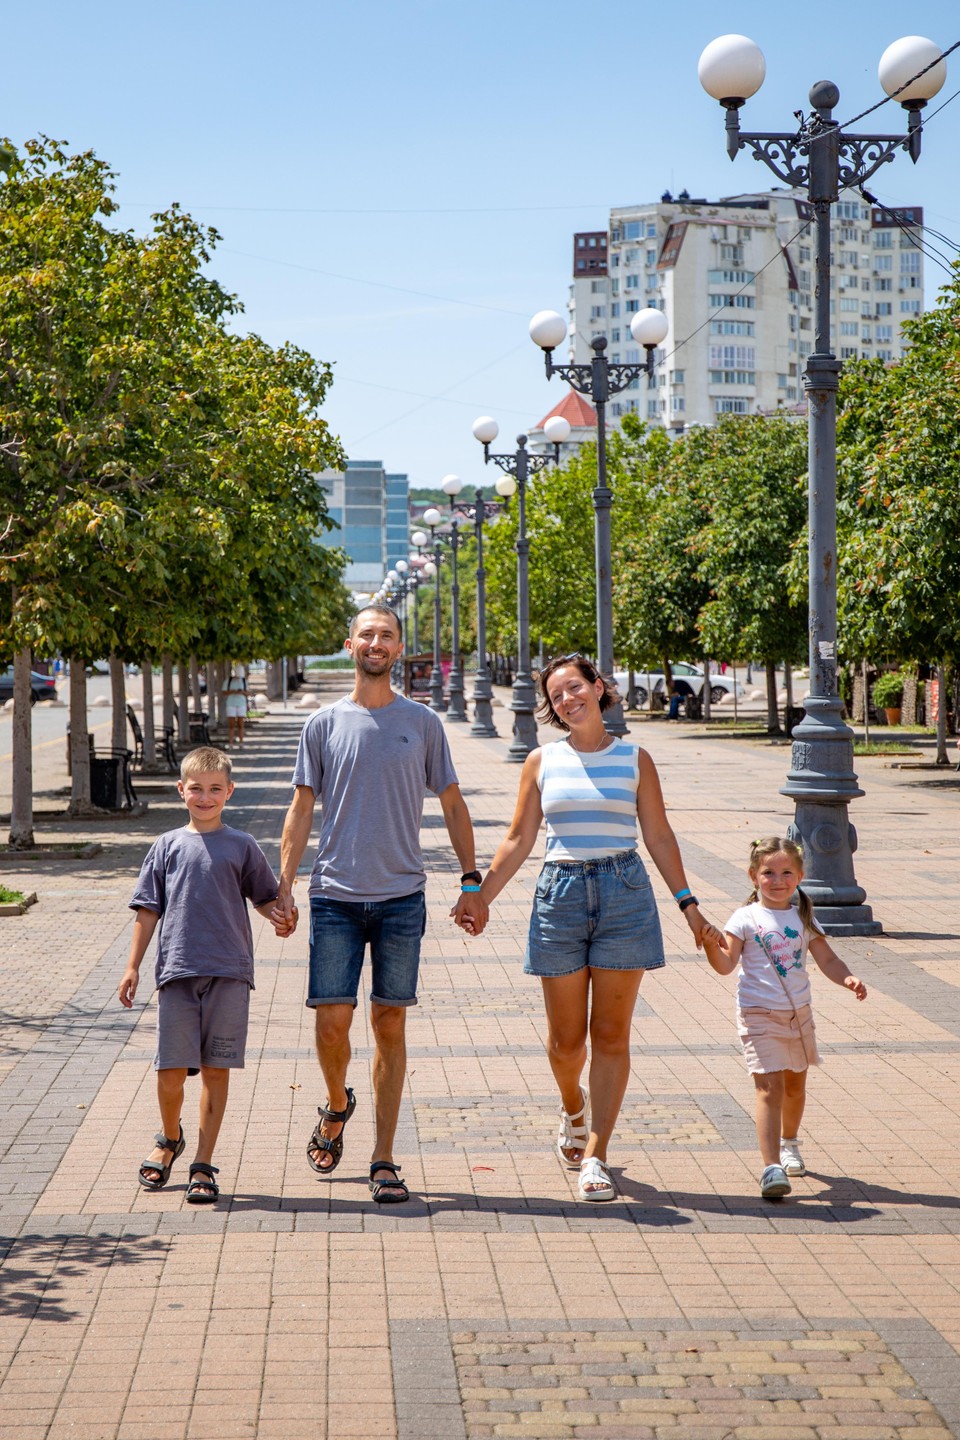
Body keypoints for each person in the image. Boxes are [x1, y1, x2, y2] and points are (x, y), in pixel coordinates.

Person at [460, 654, 717, 1203]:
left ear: (598, 688)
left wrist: (689, 907)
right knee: (565, 1043)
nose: (568, 700)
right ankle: (572, 1105)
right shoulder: (542, 760)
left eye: (575, 687)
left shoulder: (635, 759)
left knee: (611, 1036)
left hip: (625, 893)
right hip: (560, 897)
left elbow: (660, 836)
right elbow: (519, 839)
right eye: (557, 696)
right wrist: (479, 896)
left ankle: (596, 1155)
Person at [275, 604, 486, 1204]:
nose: (376, 642)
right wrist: (283, 884)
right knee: (331, 1023)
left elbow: (452, 803)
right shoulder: (322, 725)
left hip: (400, 899)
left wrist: (471, 882)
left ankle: (384, 1157)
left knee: (389, 1023)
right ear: (350, 645)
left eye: (386, 635)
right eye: (367, 633)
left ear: (398, 646)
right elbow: (301, 808)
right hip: (335, 897)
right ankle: (336, 1102)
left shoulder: (422, 723)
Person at [118, 746, 295, 1203]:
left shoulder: (242, 845)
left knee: (217, 1070)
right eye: (196, 788)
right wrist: (133, 965)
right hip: (177, 972)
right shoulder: (166, 846)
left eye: (215, 789)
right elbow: (147, 910)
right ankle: (169, 1137)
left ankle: (203, 1162)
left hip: (229, 972)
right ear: (181, 790)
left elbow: (264, 898)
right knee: (169, 1071)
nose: (205, 797)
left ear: (229, 792)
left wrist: (280, 915)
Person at [701, 836, 867, 1200]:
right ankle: (771, 1167)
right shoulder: (744, 918)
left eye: (787, 872)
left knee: (794, 1087)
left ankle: (790, 1143)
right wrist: (712, 945)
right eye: (769, 873)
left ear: (800, 876)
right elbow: (726, 965)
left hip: (798, 1015)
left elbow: (828, 959)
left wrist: (847, 978)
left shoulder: (804, 917)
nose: (778, 880)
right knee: (769, 1089)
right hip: (758, 1014)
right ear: (753, 876)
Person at [222, 667, 248, 748]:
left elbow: (247, 693)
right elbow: (224, 692)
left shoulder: (244, 681)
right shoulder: (228, 681)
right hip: (231, 704)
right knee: (231, 725)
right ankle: (231, 743)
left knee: (241, 724)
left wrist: (242, 692)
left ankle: (241, 742)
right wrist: (232, 691)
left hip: (241, 704)